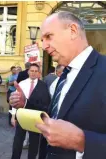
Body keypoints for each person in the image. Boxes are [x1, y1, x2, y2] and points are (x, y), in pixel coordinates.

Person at [10, 11, 106, 159]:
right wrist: (26, 103)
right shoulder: (63, 76)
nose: (44, 46)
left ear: (73, 31)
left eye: (48, 36)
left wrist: (81, 141)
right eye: (42, 39)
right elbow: (53, 116)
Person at [11, 63, 51, 159]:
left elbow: (46, 103)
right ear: (28, 72)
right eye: (31, 71)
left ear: (39, 73)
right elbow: (14, 101)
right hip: (22, 116)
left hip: (35, 118)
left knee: (34, 144)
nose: (33, 73)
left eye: (35, 71)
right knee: (17, 142)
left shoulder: (43, 86)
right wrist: (13, 116)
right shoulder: (22, 84)